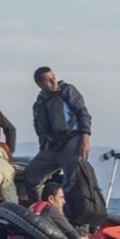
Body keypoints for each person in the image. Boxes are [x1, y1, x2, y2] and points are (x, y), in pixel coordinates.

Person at [24, 67, 91, 201]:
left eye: (53, 77)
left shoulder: (67, 91)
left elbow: (83, 113)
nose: (53, 82)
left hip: (72, 140)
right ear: (40, 84)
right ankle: (39, 211)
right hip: (53, 146)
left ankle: (78, 217)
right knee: (31, 176)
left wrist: (85, 140)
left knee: (74, 180)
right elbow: (40, 128)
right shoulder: (39, 103)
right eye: (48, 80)